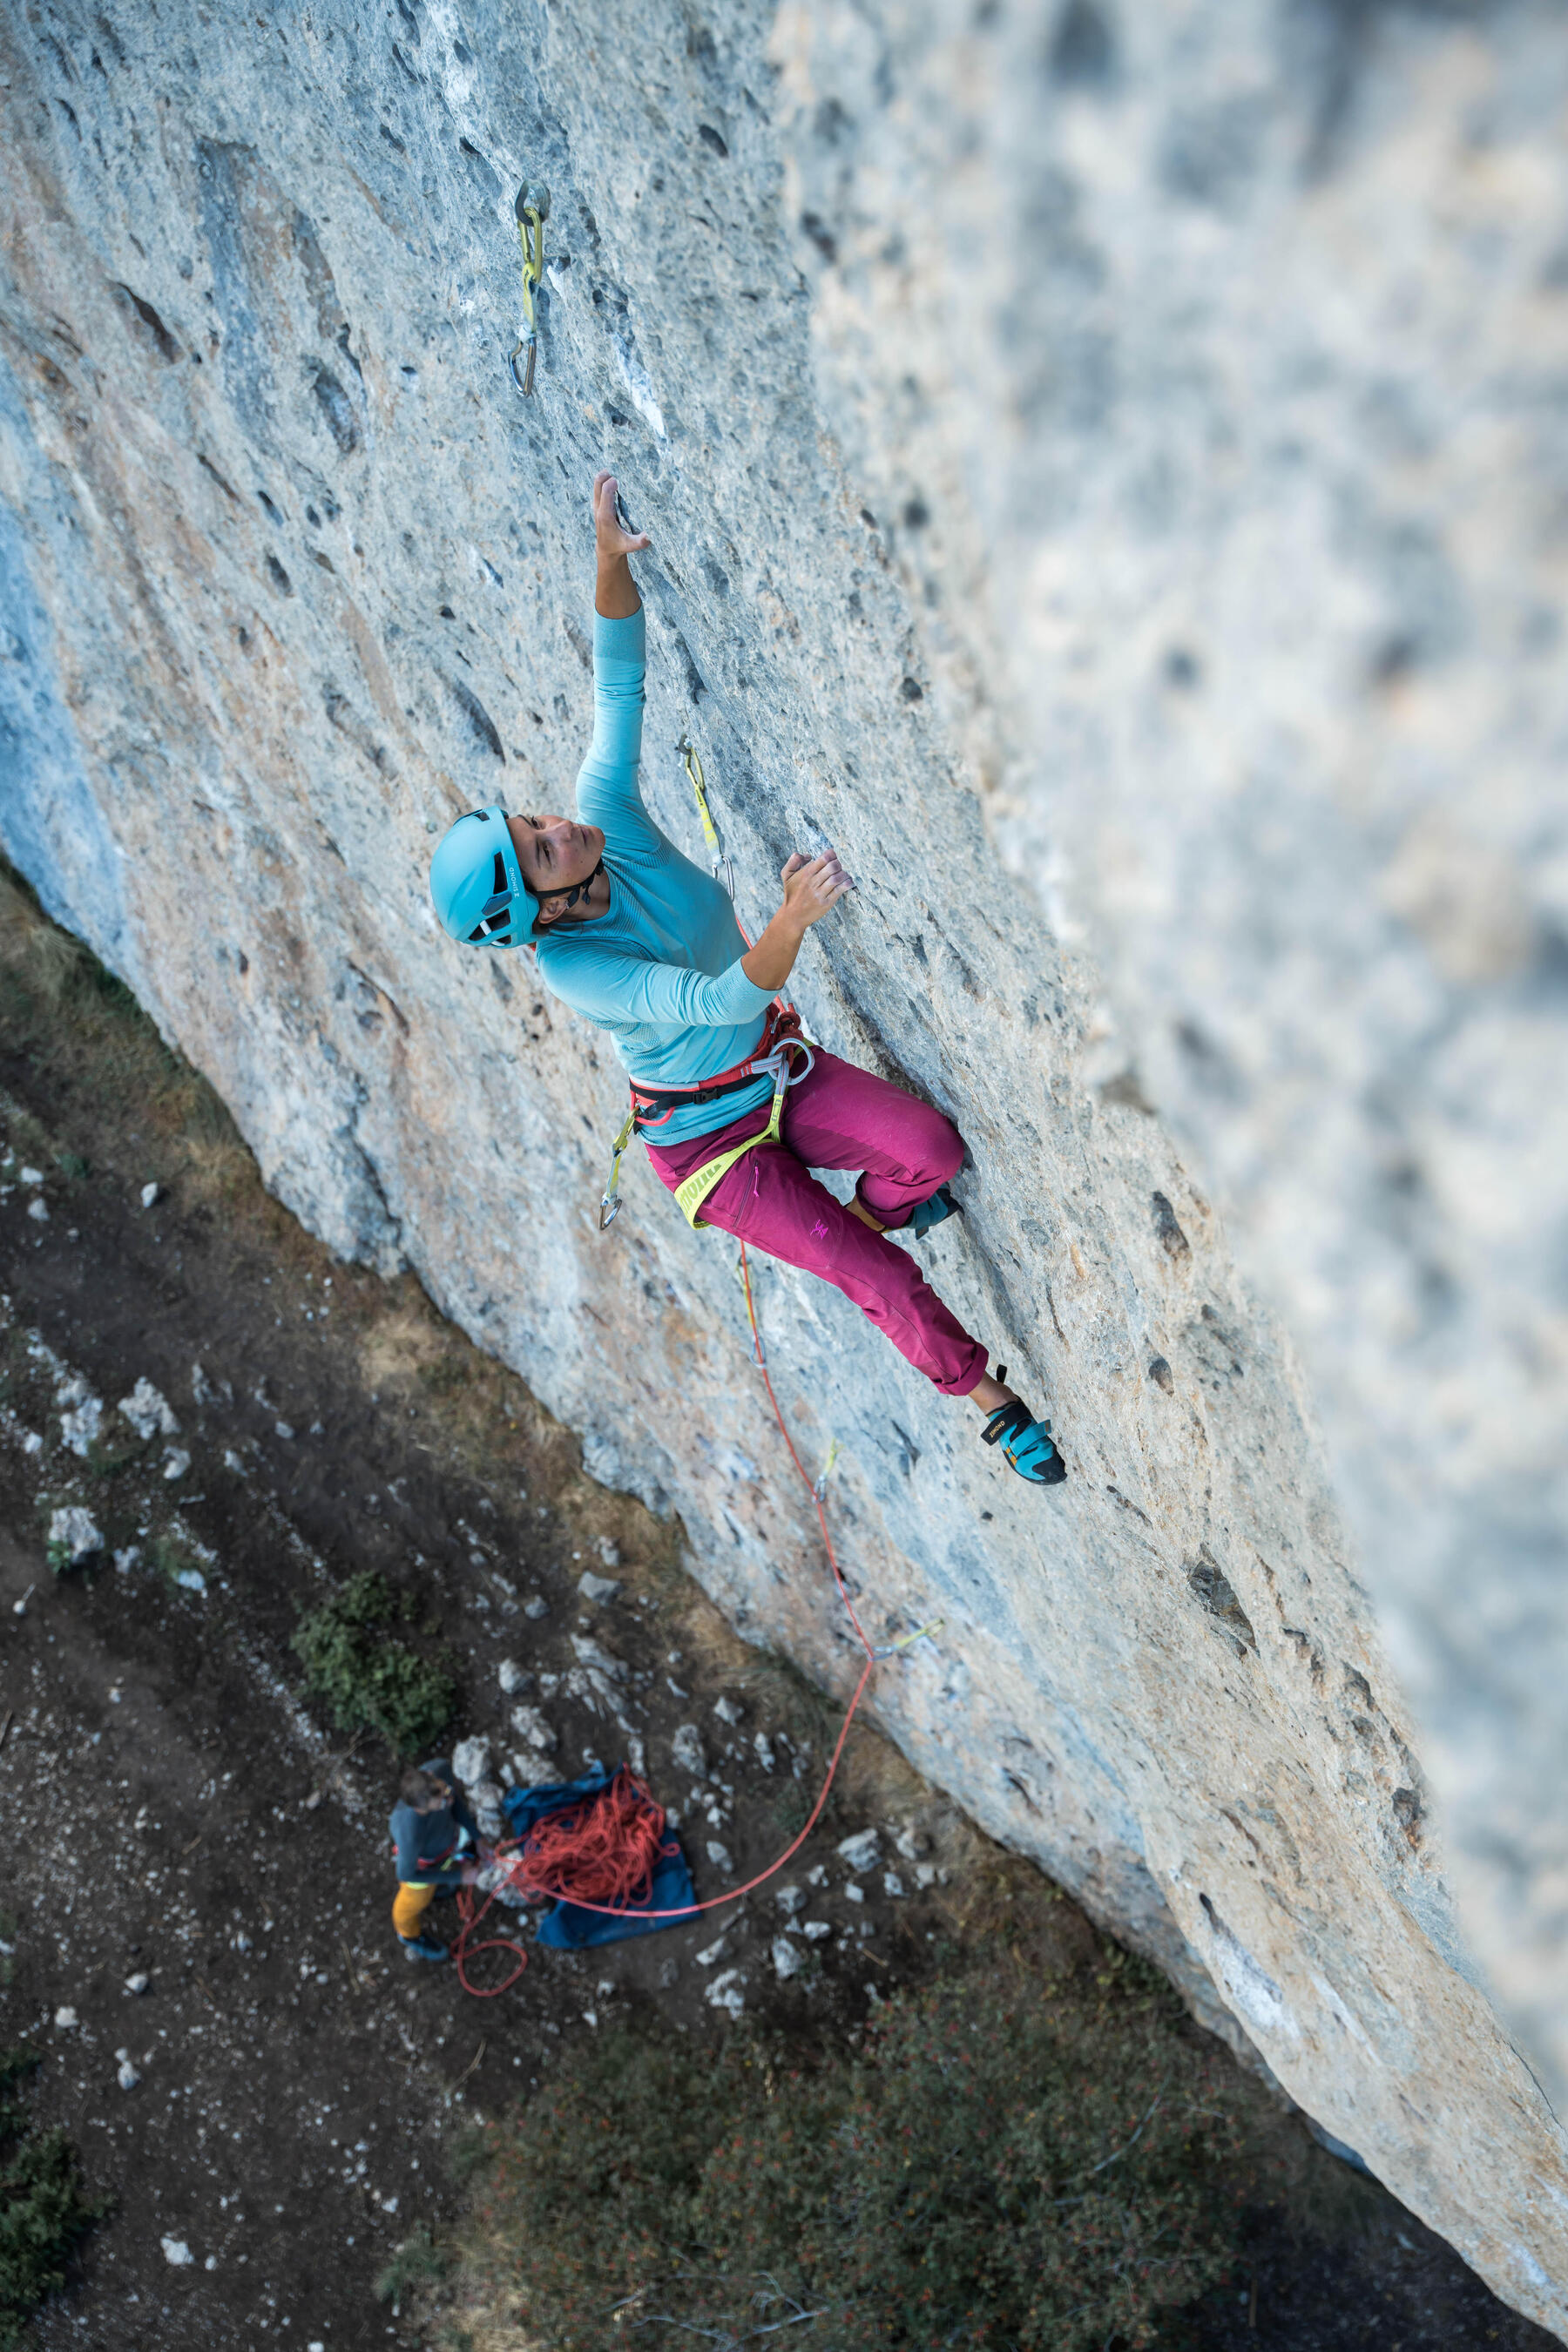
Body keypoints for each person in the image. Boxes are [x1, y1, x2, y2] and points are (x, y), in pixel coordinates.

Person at [429, 472, 1065, 1488]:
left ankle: (878, 1216)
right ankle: (988, 1400)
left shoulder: (604, 814)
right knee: (870, 1276)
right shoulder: (580, 968)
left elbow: (616, 684)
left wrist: (605, 563)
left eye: (533, 822)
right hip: (712, 1151)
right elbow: (714, 1000)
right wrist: (791, 921)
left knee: (931, 1153)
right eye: (542, 852)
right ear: (539, 916)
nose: (560, 830)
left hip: (771, 1069)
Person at [389, 1760, 482, 1963]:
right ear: (419, 1809)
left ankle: (438, 1887)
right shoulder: (410, 1833)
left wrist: (478, 1837)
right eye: (441, 1803)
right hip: (421, 1867)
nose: (448, 1801)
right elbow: (405, 1874)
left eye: (445, 1791)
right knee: (409, 1907)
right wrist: (460, 1876)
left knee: (442, 1872)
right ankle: (409, 1936)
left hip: (444, 1849)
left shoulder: (439, 1771)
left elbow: (454, 1802)